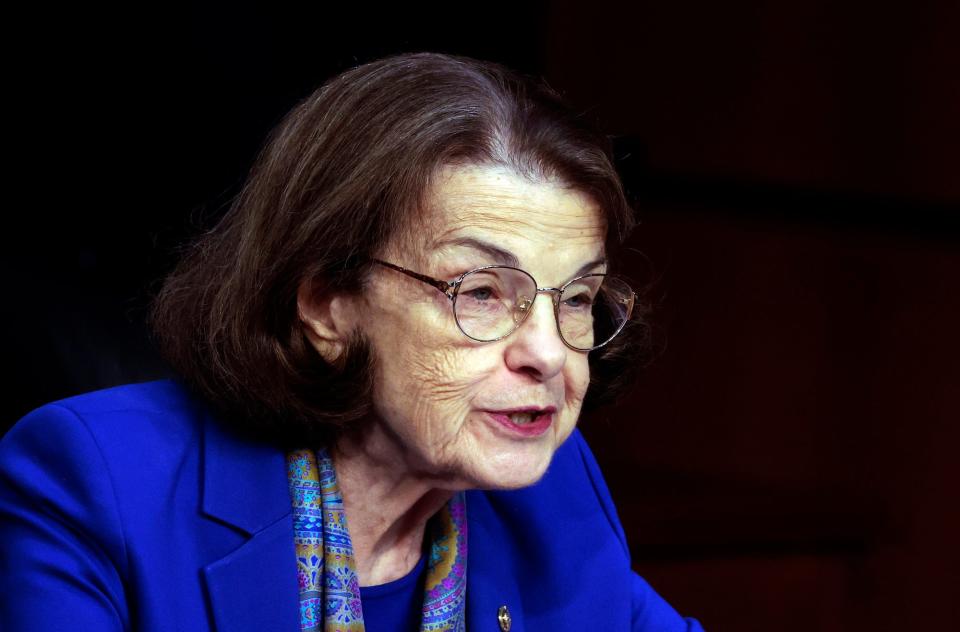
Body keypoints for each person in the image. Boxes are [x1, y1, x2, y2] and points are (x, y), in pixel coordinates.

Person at [0, 53, 702, 631]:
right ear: (327, 306)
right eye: (482, 293)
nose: (548, 354)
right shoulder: (97, 483)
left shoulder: (551, 494)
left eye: (575, 299)